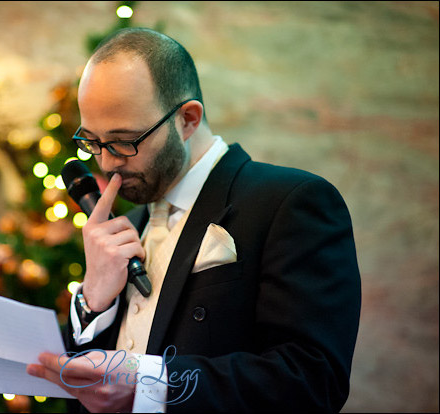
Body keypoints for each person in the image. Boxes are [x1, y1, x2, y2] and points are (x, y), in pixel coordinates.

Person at [26, 28, 361, 412]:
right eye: (92, 142)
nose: (106, 161)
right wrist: (93, 301)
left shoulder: (290, 201)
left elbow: (314, 379)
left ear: (187, 119)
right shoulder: (126, 224)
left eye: (124, 141)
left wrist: (151, 387)